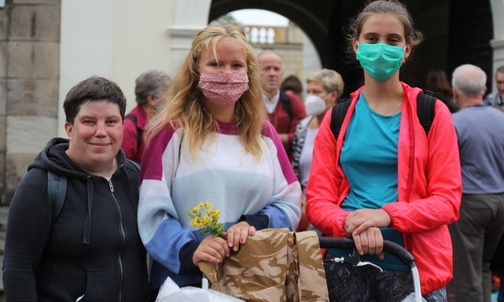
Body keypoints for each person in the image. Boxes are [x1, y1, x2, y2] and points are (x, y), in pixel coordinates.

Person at [305, 1, 462, 301]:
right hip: (343, 263)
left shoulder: (431, 113)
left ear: (407, 50)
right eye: (372, 39)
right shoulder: (338, 117)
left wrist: (386, 216)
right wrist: (351, 224)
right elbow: (317, 199)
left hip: (413, 267)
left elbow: (447, 201)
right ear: (356, 45)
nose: (381, 48)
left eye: (393, 40)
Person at [137, 23, 302, 300]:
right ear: (195, 71)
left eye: (236, 65)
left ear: (248, 74)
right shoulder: (172, 131)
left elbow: (290, 201)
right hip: (184, 283)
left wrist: (253, 224)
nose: (227, 74)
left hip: (255, 279)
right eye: (215, 64)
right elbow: (152, 210)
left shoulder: (264, 134)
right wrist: (190, 251)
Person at [2, 76, 148, 301]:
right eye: (89, 121)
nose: (101, 132)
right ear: (69, 128)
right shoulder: (41, 184)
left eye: (111, 122)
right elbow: (18, 268)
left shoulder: (137, 179)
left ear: (121, 126)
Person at [448, 64, 504, 302]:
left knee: (466, 275)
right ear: (484, 88)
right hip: (500, 202)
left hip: (470, 204)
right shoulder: (501, 119)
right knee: (483, 267)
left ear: (454, 92)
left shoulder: (453, 123)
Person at [292, 69, 344, 231]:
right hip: (304, 209)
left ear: (333, 95)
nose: (310, 97)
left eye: (316, 92)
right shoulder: (303, 126)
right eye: (308, 92)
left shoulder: (343, 126)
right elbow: (296, 168)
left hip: (332, 207)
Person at [257, 50, 307, 160]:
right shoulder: (247, 101)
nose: (272, 74)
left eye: (276, 69)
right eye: (266, 68)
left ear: (282, 74)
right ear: (255, 72)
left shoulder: (293, 102)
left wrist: (266, 137)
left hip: (285, 166)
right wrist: (285, 138)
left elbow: (302, 135)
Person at [122, 69, 172, 164]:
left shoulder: (161, 123)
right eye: (169, 96)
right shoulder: (129, 128)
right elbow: (123, 169)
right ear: (152, 99)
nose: (172, 101)